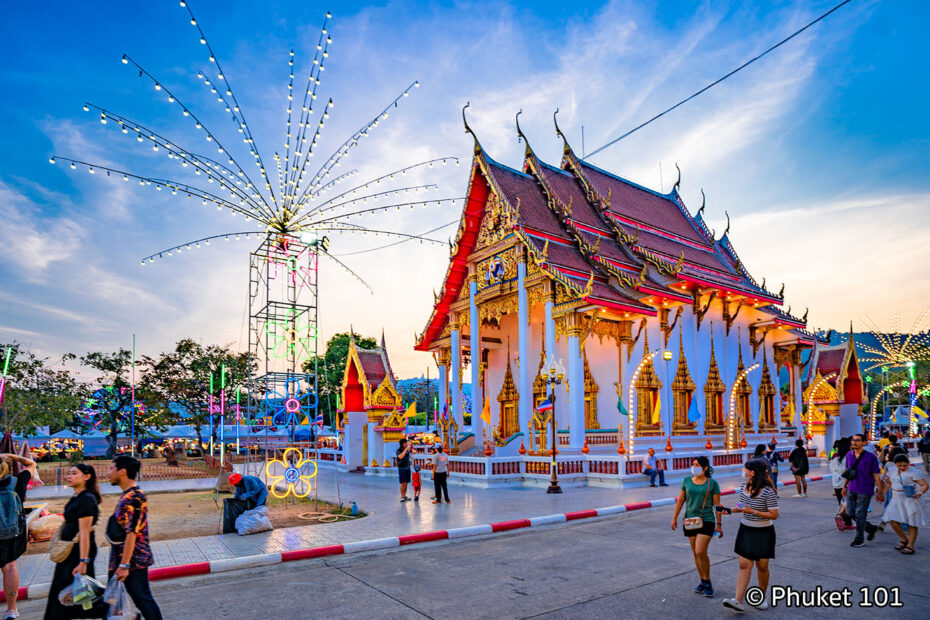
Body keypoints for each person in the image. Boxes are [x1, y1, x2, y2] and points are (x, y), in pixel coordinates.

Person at [44, 464, 106, 620]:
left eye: (73, 473)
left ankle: (115, 612)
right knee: (80, 596)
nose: (68, 476)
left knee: (68, 594)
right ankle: (113, 612)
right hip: (70, 551)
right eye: (68, 473)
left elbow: (84, 532)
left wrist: (83, 562)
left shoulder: (87, 499)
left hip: (78, 552)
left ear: (87, 476)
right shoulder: (78, 497)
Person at [721, 459, 779, 613]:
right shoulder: (744, 487)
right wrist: (728, 510)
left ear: (752, 472)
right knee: (744, 564)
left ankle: (761, 597)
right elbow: (742, 506)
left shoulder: (768, 491)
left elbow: (774, 514)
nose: (743, 471)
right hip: (746, 529)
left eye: (745, 469)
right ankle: (738, 600)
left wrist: (753, 511)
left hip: (763, 531)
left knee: (762, 567)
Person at [108, 455, 162, 619]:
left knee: (143, 600)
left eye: (111, 469)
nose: (108, 473)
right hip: (123, 559)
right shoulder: (128, 496)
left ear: (122, 472)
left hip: (133, 561)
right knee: (114, 603)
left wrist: (124, 565)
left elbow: (132, 532)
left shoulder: (134, 497)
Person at [671, 456, 722, 598]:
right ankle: (703, 581)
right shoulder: (686, 481)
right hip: (690, 520)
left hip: (707, 520)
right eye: (693, 464)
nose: (694, 467)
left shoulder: (712, 483)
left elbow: (717, 506)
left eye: (697, 465)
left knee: (700, 551)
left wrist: (719, 525)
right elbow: (681, 500)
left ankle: (708, 581)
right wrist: (674, 518)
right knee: (695, 552)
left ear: (705, 468)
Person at [0, 454, 35, 620]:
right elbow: (31, 463)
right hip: (13, 532)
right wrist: (11, 456)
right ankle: (11, 610)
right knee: (10, 567)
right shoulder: (17, 482)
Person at [843, 433, 884, 547]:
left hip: (865, 489)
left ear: (864, 442)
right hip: (851, 488)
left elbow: (876, 475)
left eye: (857, 440)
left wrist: (880, 491)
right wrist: (844, 486)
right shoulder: (849, 455)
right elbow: (848, 472)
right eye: (853, 440)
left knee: (860, 514)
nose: (854, 442)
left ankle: (859, 539)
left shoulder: (871, 457)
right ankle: (871, 528)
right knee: (850, 513)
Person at [883, 454, 928, 554]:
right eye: (899, 465)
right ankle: (904, 539)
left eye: (905, 465)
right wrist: (882, 493)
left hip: (910, 500)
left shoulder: (914, 472)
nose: (902, 467)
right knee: (892, 521)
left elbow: (924, 485)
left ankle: (910, 545)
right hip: (896, 499)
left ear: (908, 463)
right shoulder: (892, 471)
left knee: (911, 523)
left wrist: (919, 493)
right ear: (895, 464)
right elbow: (889, 482)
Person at [829, 437, 854, 530]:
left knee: (842, 502)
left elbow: (831, 469)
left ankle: (848, 523)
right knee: (848, 504)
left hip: (836, 483)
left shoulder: (834, 456)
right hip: (845, 483)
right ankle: (840, 516)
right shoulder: (849, 456)